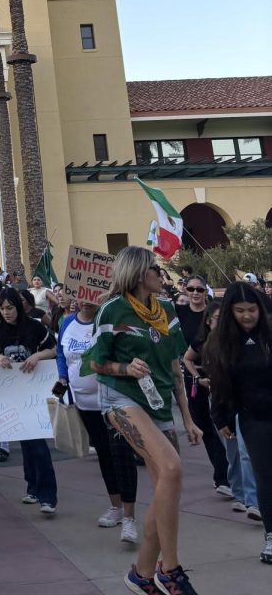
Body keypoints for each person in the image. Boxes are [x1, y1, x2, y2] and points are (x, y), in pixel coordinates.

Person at [83, 246, 202, 595]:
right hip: (121, 399)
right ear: (137, 274)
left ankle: (142, 572)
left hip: (158, 402)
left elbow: (175, 367)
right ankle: (171, 568)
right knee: (173, 469)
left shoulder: (167, 309)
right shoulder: (112, 309)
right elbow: (95, 363)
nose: (161, 275)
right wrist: (125, 368)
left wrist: (188, 417)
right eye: (154, 269)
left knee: (168, 489)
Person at [55, 299, 139, 543]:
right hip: (84, 403)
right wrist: (62, 378)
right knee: (103, 452)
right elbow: (62, 353)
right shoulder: (68, 322)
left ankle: (130, 515)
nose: (85, 301)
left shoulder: (108, 318)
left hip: (112, 400)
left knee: (121, 453)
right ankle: (116, 507)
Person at [204, 281, 272, 565]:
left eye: (252, 309)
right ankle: (271, 536)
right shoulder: (221, 344)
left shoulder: (269, 335)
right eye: (241, 310)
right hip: (254, 419)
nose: (247, 316)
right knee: (266, 479)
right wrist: (220, 418)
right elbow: (220, 385)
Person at [184, 299, 260, 520]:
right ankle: (243, 494)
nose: (245, 317)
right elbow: (216, 380)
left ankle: (251, 498)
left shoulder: (252, 340)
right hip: (226, 405)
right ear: (208, 321)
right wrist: (199, 379)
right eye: (239, 311)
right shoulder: (209, 345)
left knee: (246, 453)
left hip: (251, 406)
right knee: (236, 452)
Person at [0, 287, 58, 514]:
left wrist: (37, 355)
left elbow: (54, 349)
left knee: (38, 445)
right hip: (12, 394)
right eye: (2, 308)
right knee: (26, 443)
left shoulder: (35, 327)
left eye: (10, 307)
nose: (6, 312)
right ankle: (33, 487)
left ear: (18, 306)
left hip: (34, 394)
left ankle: (48, 496)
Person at [175, 275, 230, 494]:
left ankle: (231, 474)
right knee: (204, 425)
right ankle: (221, 475)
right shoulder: (180, 314)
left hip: (219, 375)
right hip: (194, 376)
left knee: (224, 423)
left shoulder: (215, 313)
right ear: (185, 291)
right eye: (191, 289)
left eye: (199, 289)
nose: (195, 293)